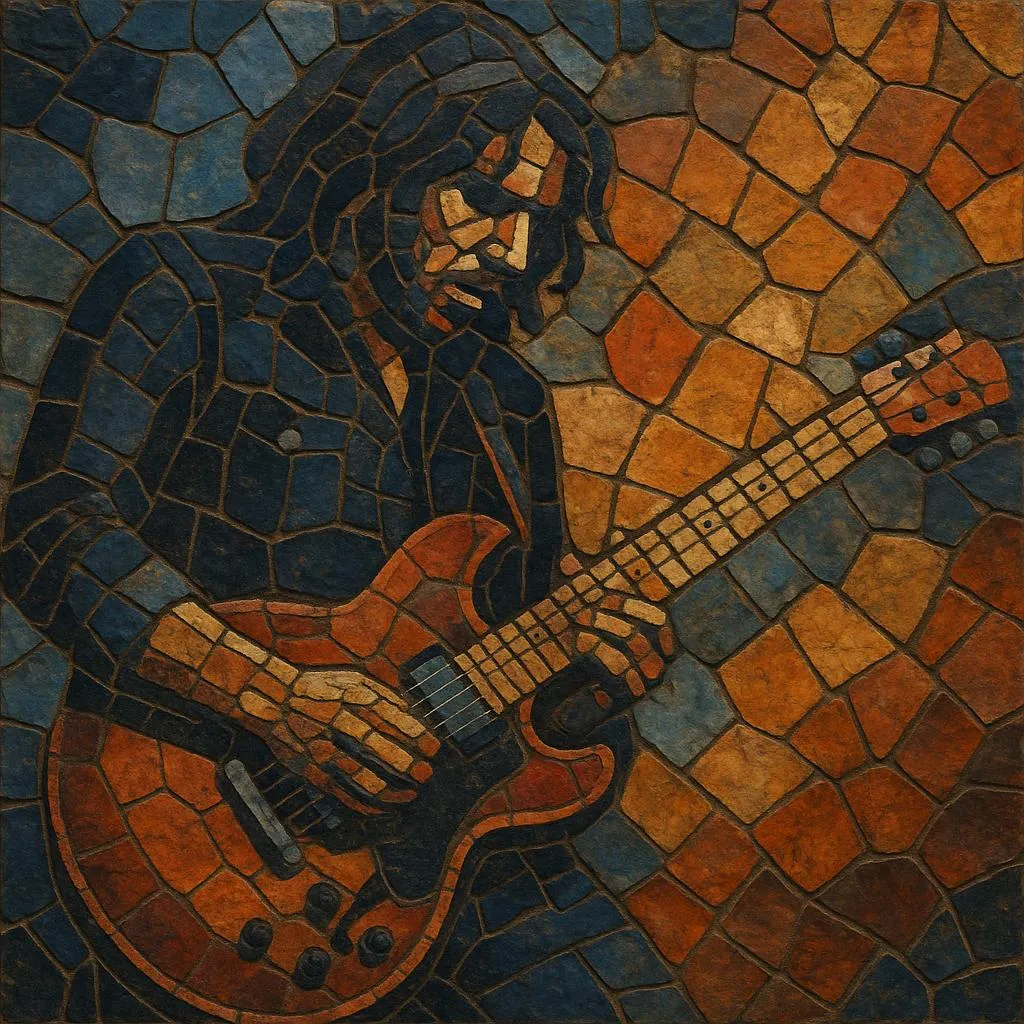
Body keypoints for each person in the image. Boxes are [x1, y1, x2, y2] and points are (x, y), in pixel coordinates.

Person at [2, 3, 669, 813]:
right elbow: (52, 527)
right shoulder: (186, 291)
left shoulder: (505, 402)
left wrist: (589, 685)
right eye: (484, 197)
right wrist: (273, 697)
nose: (516, 253)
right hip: (164, 800)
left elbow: (506, 702)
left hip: (390, 865)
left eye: (541, 222)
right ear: (378, 164)